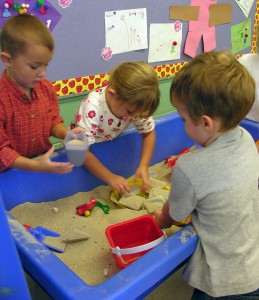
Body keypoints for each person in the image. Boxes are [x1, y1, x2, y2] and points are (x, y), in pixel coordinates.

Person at [154, 51, 259, 299]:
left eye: (182, 119)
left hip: (222, 281)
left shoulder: (188, 167)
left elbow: (175, 215)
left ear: (206, 123)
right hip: (254, 266)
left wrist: (159, 220)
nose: (181, 124)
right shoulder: (246, 139)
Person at [72, 61, 160, 194]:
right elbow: (81, 151)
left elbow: (148, 133)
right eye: (130, 112)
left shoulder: (135, 104)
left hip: (106, 142)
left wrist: (143, 165)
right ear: (112, 95)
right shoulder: (92, 107)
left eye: (138, 113)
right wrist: (110, 177)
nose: (134, 117)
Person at [0, 14, 72, 174]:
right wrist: (36, 166)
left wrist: (67, 134)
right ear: (8, 59)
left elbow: (53, 122)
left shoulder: (45, 88)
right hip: (9, 173)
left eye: (46, 65)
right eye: (34, 67)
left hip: (42, 160)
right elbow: (2, 151)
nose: (43, 73)